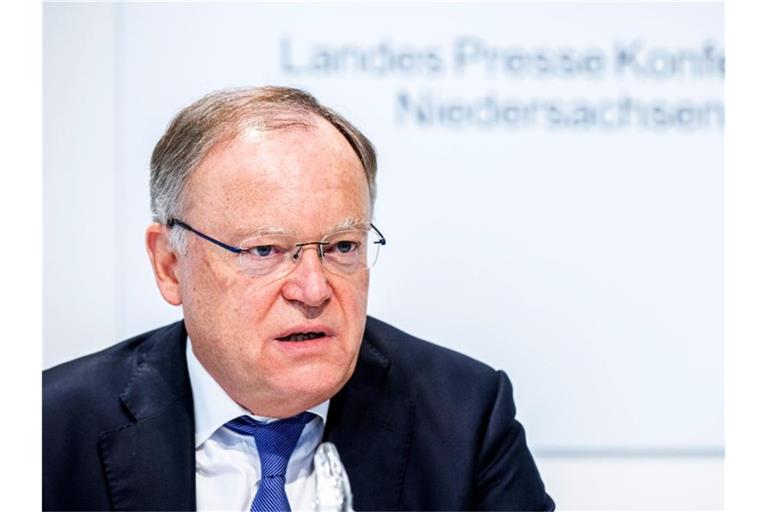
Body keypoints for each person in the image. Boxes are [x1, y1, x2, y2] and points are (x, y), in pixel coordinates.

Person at [43, 86, 555, 511]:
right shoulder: (47, 430)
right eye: (264, 249)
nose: (313, 290)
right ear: (170, 265)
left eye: (341, 247)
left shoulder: (463, 417)